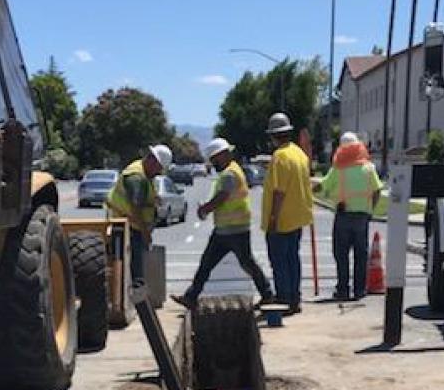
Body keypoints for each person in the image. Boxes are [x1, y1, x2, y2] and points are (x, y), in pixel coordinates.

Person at [176, 138, 273, 310]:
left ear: (222, 155)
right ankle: (191, 296)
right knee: (208, 263)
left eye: (214, 159)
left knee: (245, 263)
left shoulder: (229, 174)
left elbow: (222, 197)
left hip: (234, 229)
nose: (213, 164)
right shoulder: (232, 170)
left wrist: (205, 209)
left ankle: (267, 294)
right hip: (226, 229)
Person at [314, 131, 384, 300]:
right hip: (362, 217)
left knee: (341, 254)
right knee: (361, 255)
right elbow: (377, 190)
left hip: (343, 215)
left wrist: (310, 187)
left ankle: (343, 289)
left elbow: (323, 186)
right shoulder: (368, 168)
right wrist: (370, 210)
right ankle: (359, 290)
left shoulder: (338, 169)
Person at [261, 111, 314, 312]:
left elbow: (279, 192)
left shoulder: (280, 157)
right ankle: (294, 298)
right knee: (293, 259)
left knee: (279, 262)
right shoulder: (299, 154)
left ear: (274, 136)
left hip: (282, 219)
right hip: (298, 218)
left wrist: (273, 218)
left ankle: (284, 299)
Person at [106, 143, 171, 294]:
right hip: (127, 226)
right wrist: (146, 233)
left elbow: (141, 199)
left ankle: (134, 293)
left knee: (134, 264)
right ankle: (136, 295)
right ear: (152, 161)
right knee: (133, 267)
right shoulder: (136, 176)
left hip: (133, 226)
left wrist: (152, 201)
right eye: (159, 168)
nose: (159, 172)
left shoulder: (145, 174)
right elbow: (135, 207)